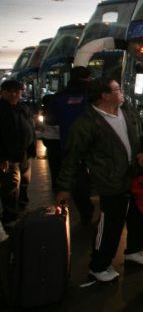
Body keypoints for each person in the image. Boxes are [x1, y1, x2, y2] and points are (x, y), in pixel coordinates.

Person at [54, 77, 143, 284]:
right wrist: (64, 187)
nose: (122, 92)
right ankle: (99, 266)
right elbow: (72, 157)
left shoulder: (127, 110)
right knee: (110, 225)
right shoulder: (86, 123)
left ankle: (136, 251)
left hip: (136, 176)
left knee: (140, 217)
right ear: (105, 95)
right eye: (117, 89)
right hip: (110, 182)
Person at [45, 65, 95, 224]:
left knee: (80, 185)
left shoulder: (58, 98)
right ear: (88, 78)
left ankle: (86, 215)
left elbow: (51, 121)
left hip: (70, 148)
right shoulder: (94, 96)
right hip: (96, 148)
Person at [0, 80, 35, 226]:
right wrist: (2, 157)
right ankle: (10, 217)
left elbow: (30, 128)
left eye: (17, 91)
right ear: (2, 92)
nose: (14, 94)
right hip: (8, 155)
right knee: (11, 185)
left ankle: (21, 208)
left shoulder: (22, 107)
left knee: (25, 182)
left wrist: (32, 148)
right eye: (10, 91)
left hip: (24, 153)